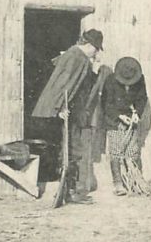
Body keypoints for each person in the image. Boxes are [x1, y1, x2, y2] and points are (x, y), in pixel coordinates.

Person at [31, 29, 104, 203]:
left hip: (69, 111)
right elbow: (65, 83)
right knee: (72, 150)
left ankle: (67, 190)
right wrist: (61, 107)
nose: (96, 52)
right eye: (96, 49)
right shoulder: (77, 57)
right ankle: (70, 192)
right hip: (67, 112)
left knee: (69, 149)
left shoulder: (73, 55)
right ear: (88, 45)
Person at [101, 56, 148, 196]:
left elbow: (142, 98)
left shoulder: (140, 80)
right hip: (114, 121)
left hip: (131, 121)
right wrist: (119, 116)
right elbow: (106, 103)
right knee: (116, 152)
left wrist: (137, 114)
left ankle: (135, 181)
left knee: (132, 152)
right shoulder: (110, 81)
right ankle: (118, 184)